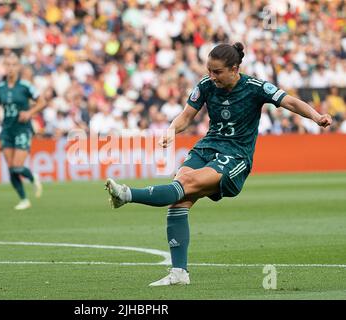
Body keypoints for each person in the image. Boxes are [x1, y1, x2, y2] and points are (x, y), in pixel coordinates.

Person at [105, 43, 332, 287]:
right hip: (207, 147)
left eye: (217, 72)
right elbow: (185, 116)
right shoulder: (205, 85)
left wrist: (317, 116)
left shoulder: (255, 87)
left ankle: (126, 194)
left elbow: (291, 102)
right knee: (178, 201)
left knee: (185, 183)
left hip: (235, 156)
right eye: (209, 70)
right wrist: (172, 130)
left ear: (235, 69)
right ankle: (179, 273)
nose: (211, 76)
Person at [0, 53, 46, 210]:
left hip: (22, 129)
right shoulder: (0, 88)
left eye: (13, 65)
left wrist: (30, 113)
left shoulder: (25, 86)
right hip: (6, 130)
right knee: (10, 167)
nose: (10, 68)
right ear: (4, 67)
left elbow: (42, 101)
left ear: (18, 67)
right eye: (8, 65)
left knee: (18, 165)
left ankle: (33, 177)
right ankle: (24, 199)